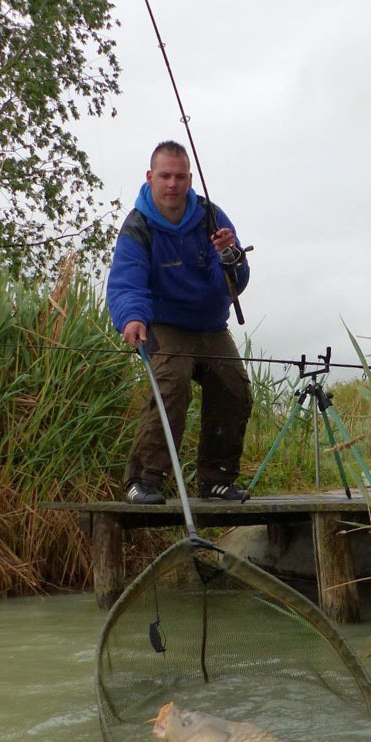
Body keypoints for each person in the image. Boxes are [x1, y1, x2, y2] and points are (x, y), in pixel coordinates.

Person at [106, 140, 253, 504]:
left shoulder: (211, 217)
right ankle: (144, 481)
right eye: (165, 176)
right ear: (150, 177)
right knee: (172, 384)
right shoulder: (138, 226)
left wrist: (231, 258)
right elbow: (126, 284)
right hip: (165, 323)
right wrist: (132, 319)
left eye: (180, 177)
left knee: (234, 387)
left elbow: (235, 284)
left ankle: (216, 479)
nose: (172, 184)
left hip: (210, 325)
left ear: (190, 180)